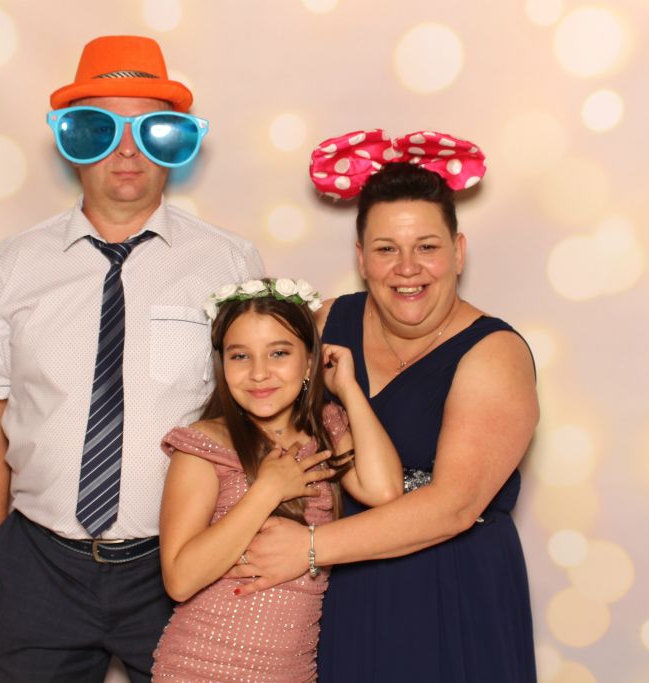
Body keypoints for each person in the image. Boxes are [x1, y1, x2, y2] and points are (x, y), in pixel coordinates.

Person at [0, 35, 263, 682]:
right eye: (100, 128)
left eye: (152, 131)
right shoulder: (16, 262)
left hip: (177, 563)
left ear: (177, 143)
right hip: (40, 565)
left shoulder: (229, 262)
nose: (127, 150)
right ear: (71, 140)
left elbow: (261, 409)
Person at [228, 130, 540, 681]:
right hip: (339, 587)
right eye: (386, 249)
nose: (407, 267)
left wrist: (309, 547)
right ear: (361, 258)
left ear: (458, 252)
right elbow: (248, 409)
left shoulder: (496, 353)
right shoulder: (324, 323)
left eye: (427, 247)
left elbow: (454, 506)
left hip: (451, 586)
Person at [151, 278, 403, 681]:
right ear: (222, 364)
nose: (259, 373)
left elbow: (385, 490)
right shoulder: (203, 445)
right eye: (240, 356)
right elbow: (180, 580)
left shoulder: (327, 428)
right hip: (201, 666)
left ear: (309, 362)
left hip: (290, 671)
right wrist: (266, 490)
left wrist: (347, 389)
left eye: (279, 353)